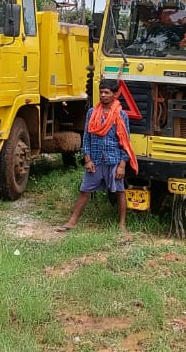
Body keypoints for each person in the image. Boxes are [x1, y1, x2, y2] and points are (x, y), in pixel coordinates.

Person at [57, 80, 138, 238]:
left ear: (115, 95)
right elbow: (86, 137)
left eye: (107, 92)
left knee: (120, 192)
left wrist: (122, 165)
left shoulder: (121, 115)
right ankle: (72, 221)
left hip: (114, 159)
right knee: (84, 191)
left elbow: (126, 142)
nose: (103, 95)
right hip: (95, 159)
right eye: (101, 92)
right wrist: (87, 159)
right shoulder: (92, 112)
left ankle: (122, 224)